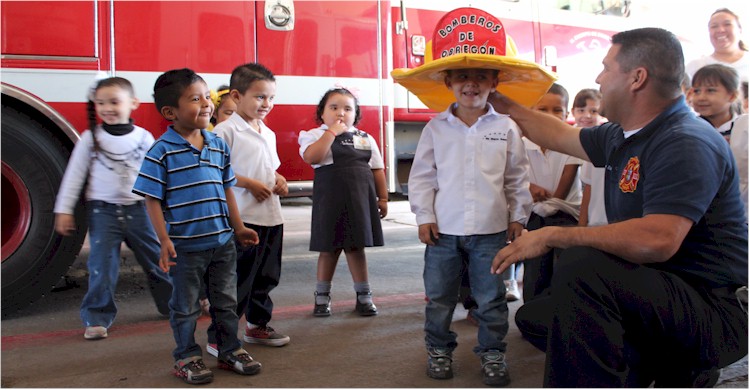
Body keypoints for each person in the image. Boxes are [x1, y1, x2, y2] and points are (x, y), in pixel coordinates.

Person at [489, 27, 748, 387]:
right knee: (538, 318)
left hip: (713, 311)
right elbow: (557, 134)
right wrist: (499, 101)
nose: (598, 77)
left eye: (606, 67)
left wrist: (553, 235)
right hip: (661, 289)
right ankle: (658, 366)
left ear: (636, 78)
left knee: (583, 266)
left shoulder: (684, 141)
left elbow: (658, 239)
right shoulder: (623, 133)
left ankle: (681, 363)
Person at [393, 7, 554, 387]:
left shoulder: (506, 126)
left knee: (492, 299)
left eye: (481, 76)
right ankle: (438, 349)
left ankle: (493, 354)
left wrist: (519, 217)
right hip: (443, 232)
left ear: (494, 82)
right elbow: (422, 178)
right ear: (448, 81)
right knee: (439, 298)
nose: (472, 84)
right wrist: (423, 217)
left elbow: (517, 176)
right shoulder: (436, 128)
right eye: (463, 76)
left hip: (492, 229)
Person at [132, 68, 262, 385]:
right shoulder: (161, 152)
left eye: (207, 97)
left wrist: (239, 227)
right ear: (169, 112)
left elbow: (227, 188)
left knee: (225, 302)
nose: (205, 104)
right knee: (185, 307)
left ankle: (229, 349)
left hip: (222, 243)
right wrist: (163, 240)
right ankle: (187, 356)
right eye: (194, 98)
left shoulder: (217, 144)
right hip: (185, 248)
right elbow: (151, 200)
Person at [53, 76, 172, 341]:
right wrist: (63, 209)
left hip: (139, 210)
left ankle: (172, 305)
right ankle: (96, 317)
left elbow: (157, 175)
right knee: (102, 267)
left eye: (114, 102)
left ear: (133, 103)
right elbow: (74, 176)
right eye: (101, 103)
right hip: (102, 213)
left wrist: (168, 204)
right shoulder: (90, 138)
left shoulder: (143, 138)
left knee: (158, 260)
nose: (108, 108)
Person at [208, 63, 290, 355]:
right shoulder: (225, 132)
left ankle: (257, 326)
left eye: (270, 98)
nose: (266, 104)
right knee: (237, 281)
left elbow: (273, 169)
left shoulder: (266, 132)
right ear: (236, 96)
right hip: (243, 219)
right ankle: (220, 337)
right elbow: (215, 172)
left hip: (271, 217)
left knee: (266, 277)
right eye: (259, 97)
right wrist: (249, 184)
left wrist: (279, 181)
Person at [297, 87, 388, 317]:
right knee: (328, 249)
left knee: (356, 248)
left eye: (348, 109)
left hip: (359, 200)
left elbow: (377, 168)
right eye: (334, 107)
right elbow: (312, 157)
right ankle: (322, 296)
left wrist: (383, 196)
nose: (341, 113)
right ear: (322, 113)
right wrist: (332, 133)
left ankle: (364, 295)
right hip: (330, 201)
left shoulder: (365, 138)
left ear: (355, 114)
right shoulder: (315, 135)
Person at [522, 83, 583, 303]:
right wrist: (529, 188)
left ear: (567, 113)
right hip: (535, 214)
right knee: (535, 267)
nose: (550, 116)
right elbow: (515, 179)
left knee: (563, 267)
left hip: (566, 214)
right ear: (531, 112)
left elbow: (559, 196)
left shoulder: (573, 143)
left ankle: (561, 309)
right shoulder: (523, 144)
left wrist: (532, 189)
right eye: (543, 110)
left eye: (557, 110)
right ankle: (532, 309)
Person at [572, 88, 608, 227]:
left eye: (593, 111)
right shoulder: (564, 140)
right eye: (581, 110)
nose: (587, 115)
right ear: (573, 111)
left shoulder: (600, 141)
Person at [686, 8, 749, 83]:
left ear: (740, 29)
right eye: (714, 26)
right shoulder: (695, 66)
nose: (721, 30)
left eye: (727, 24)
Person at [692, 63, 742, 142]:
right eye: (696, 91)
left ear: (732, 96)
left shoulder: (744, 128)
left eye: (710, 90)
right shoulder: (691, 127)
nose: (701, 97)